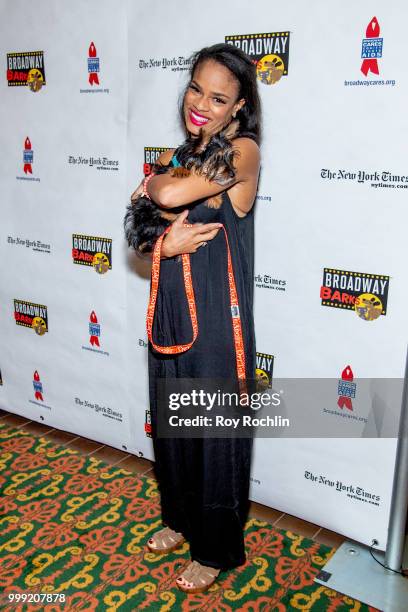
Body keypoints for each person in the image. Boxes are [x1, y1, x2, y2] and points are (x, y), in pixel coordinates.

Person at [133, 43, 261, 593]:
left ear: (237, 107)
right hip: (170, 312)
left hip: (216, 318)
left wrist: (156, 191)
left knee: (214, 435)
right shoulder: (183, 152)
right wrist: (167, 240)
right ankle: (180, 521)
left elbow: (166, 191)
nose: (201, 104)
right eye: (195, 89)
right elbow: (137, 234)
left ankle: (216, 548)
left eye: (218, 97)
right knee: (171, 431)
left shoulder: (246, 151)